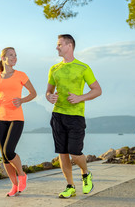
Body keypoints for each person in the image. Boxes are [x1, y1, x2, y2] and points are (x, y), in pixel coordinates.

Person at [45, 34, 102, 198]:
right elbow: (48, 91)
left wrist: (80, 97)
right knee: (62, 153)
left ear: (69, 46)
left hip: (76, 116)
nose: (57, 47)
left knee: (75, 152)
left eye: (59, 44)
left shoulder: (83, 67)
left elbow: (97, 90)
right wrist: (49, 96)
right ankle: (70, 186)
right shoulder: (54, 69)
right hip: (57, 115)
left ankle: (86, 173)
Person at [0, 47, 37, 197]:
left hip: (17, 118)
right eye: (11, 55)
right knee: (4, 156)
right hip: (1, 119)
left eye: (15, 55)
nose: (14, 58)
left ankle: (22, 174)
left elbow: (33, 93)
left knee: (9, 151)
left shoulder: (21, 75)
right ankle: (14, 186)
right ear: (3, 58)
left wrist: (22, 100)